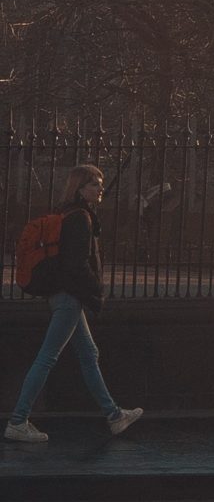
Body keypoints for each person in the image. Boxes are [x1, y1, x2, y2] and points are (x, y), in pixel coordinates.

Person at [7, 163, 144, 443]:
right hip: (70, 297)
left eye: (100, 182)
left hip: (63, 294)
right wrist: (95, 289)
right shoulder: (80, 218)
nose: (100, 188)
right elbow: (76, 264)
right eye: (94, 183)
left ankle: (114, 415)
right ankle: (18, 420)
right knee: (47, 357)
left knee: (88, 353)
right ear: (80, 188)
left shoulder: (66, 213)